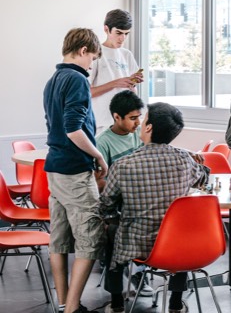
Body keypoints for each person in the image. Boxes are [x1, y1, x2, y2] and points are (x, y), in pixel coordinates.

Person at [97, 102, 210, 313]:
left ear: (149, 128)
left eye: (144, 119)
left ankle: (117, 303)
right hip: (176, 245)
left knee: (111, 230)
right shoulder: (185, 159)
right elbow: (202, 177)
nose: (140, 123)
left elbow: (106, 205)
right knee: (181, 233)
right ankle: (176, 303)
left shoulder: (123, 165)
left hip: (137, 243)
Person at [43, 28, 107, 313]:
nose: (91, 65)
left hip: (54, 168)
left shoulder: (53, 79)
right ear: (83, 51)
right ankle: (72, 309)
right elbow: (73, 129)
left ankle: (63, 303)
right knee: (90, 240)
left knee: (58, 239)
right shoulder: (78, 79)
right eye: (92, 59)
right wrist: (98, 155)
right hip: (74, 170)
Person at [94, 90, 154, 312]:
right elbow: (99, 183)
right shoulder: (103, 143)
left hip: (141, 201)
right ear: (116, 117)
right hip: (119, 205)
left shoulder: (138, 136)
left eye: (139, 117)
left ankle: (140, 272)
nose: (137, 123)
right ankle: (117, 293)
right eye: (132, 118)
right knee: (116, 234)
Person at [89, 9, 144, 134]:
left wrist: (133, 84)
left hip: (126, 121)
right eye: (118, 33)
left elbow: (133, 91)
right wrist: (115, 83)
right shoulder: (96, 54)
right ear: (106, 29)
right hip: (104, 122)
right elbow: (87, 93)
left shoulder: (127, 54)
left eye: (126, 34)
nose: (122, 38)